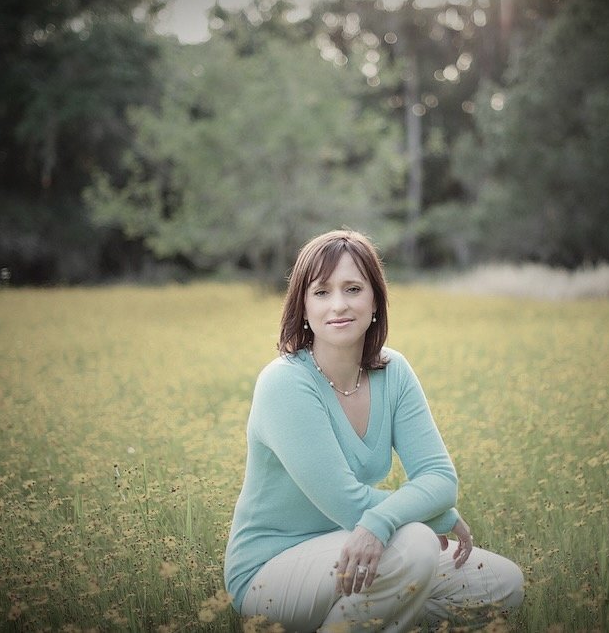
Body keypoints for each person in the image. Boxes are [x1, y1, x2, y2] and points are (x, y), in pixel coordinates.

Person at [224, 230, 523, 632]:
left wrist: (430, 508)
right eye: (322, 292)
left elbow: (440, 478)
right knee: (415, 543)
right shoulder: (285, 383)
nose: (339, 305)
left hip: (362, 548)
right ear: (303, 306)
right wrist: (435, 518)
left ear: (375, 301)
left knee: (501, 584)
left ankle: (368, 619)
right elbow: (347, 503)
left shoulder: (393, 371)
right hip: (271, 573)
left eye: (353, 288)